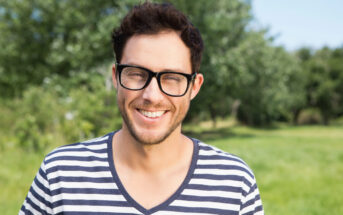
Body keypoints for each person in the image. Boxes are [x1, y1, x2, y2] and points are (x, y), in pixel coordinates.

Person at [20, 2, 264, 215]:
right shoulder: (60, 174)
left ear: (194, 86)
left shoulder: (235, 183)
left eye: (171, 77)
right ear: (116, 77)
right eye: (137, 74)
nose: (152, 95)